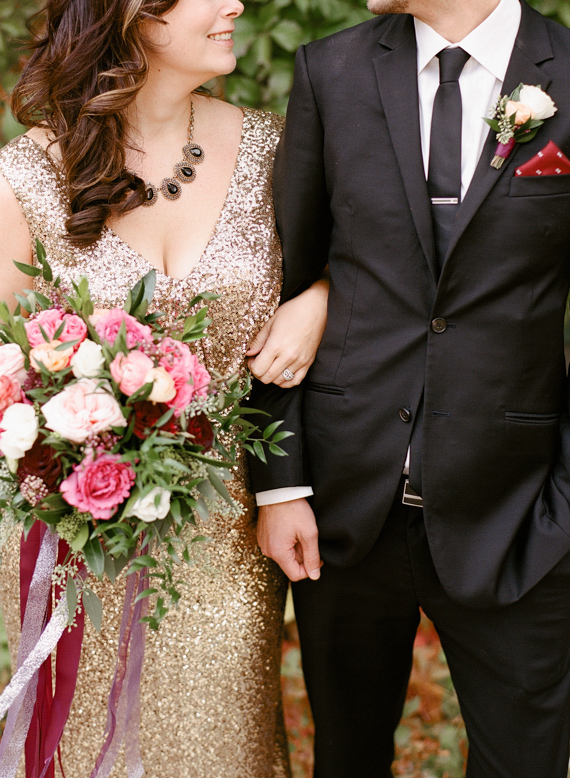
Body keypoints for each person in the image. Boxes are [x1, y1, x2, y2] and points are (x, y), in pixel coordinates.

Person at [0, 1, 329, 776]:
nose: (236, 5)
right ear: (131, 17)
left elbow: (372, 261)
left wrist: (320, 299)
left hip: (228, 527)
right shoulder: (26, 175)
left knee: (223, 744)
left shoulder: (274, 148)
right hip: (80, 533)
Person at [248, 0, 570, 775]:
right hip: (346, 510)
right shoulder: (332, 70)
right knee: (347, 758)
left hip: (522, 514)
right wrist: (280, 484)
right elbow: (284, 283)